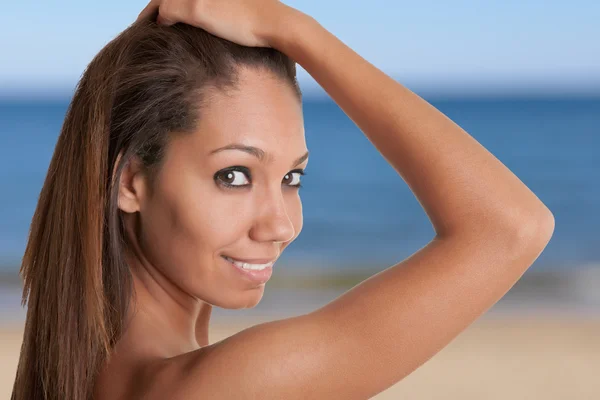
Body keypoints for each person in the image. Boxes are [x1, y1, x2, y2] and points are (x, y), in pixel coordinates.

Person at [11, 1, 555, 399]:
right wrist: (295, 29)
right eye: (234, 175)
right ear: (130, 181)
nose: (281, 226)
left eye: (292, 179)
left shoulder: (83, 374)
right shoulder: (219, 386)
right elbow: (509, 227)